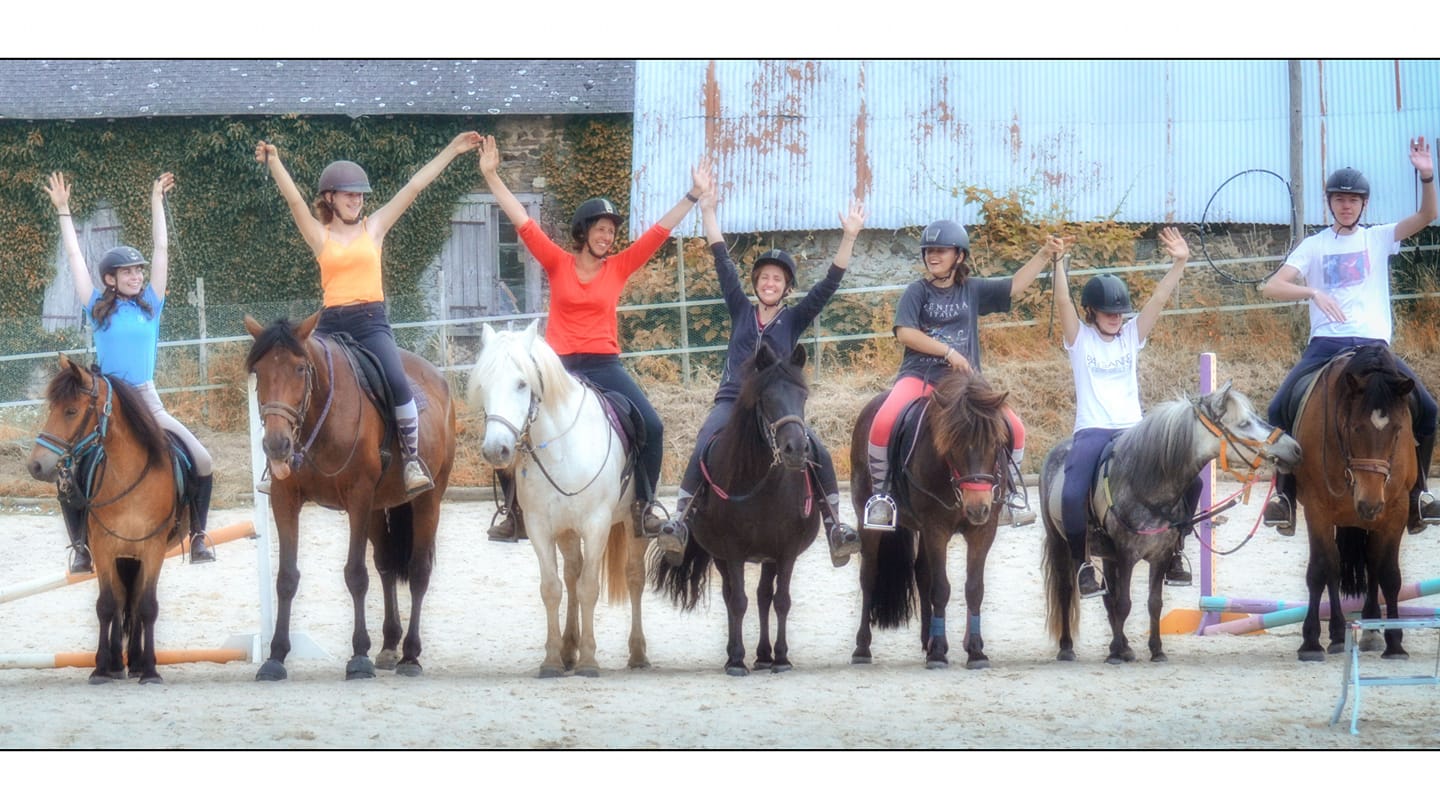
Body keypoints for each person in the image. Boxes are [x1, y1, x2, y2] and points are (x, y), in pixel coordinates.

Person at [478, 135, 711, 537]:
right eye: (601, 230)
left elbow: (657, 233)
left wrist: (692, 195)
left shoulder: (619, 267)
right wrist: (492, 176)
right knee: (511, 424)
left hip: (604, 365)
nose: (607, 237)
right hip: (559, 366)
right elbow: (523, 222)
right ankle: (514, 513)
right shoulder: (557, 262)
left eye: (611, 232)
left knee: (652, 426)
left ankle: (644, 506)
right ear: (583, 232)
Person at [255, 131, 481, 497]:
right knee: (295, 381)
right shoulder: (319, 235)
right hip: (330, 325)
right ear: (330, 198)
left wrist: (451, 150)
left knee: (396, 380)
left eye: (360, 195)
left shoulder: (372, 228)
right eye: (349, 194)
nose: (357, 200)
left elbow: (414, 187)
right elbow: (294, 201)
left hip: (371, 322)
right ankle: (280, 461)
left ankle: (410, 460)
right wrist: (275, 161)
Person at [656, 188, 867, 566]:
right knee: (706, 439)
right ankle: (681, 517)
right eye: (764, 277)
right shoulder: (740, 309)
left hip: (778, 405)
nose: (769, 283)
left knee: (814, 446)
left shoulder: (795, 318)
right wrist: (707, 210)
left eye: (777, 279)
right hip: (734, 401)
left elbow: (830, 284)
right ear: (756, 283)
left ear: (787, 287)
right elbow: (722, 259)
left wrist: (849, 237)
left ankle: (835, 524)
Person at [1260, 137, 1440, 536]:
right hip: (1325, 346)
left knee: (1427, 409)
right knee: (1276, 410)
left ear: (1364, 205)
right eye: (1339, 199)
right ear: (1330, 204)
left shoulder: (1377, 238)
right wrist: (1311, 291)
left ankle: (1419, 495)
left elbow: (1428, 214)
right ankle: (1284, 496)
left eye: (1353, 200)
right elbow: (1272, 286)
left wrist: (1426, 173)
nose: (1346, 205)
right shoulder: (1313, 246)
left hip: (1375, 350)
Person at [44, 171, 216, 574]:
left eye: (138, 271)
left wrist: (156, 198)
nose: (137, 276)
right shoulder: (97, 310)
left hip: (146, 396)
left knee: (203, 460)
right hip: (105, 402)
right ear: (110, 279)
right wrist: (64, 211)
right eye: (128, 273)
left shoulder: (151, 306)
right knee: (69, 473)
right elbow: (74, 260)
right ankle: (82, 548)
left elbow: (160, 247)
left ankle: (199, 536)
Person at [860, 220, 1065, 531]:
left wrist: (1044, 253)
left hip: (967, 386)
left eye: (940, 250)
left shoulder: (971, 289)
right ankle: (882, 497)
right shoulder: (917, 292)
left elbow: (1015, 286)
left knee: (1016, 428)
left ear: (959, 256)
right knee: (884, 420)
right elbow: (905, 333)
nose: (932, 255)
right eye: (928, 250)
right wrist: (948, 352)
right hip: (920, 376)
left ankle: (1008, 496)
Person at [1055, 228, 1196, 598]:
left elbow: (1160, 298)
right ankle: (1082, 564)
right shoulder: (1079, 339)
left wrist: (1179, 261)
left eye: (1120, 312)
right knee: (1071, 495)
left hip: (1135, 432)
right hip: (1094, 430)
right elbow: (1063, 304)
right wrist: (1057, 265)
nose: (1116, 318)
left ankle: (1177, 548)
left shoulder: (1132, 335)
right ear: (1092, 313)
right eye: (1108, 312)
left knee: (1192, 481)